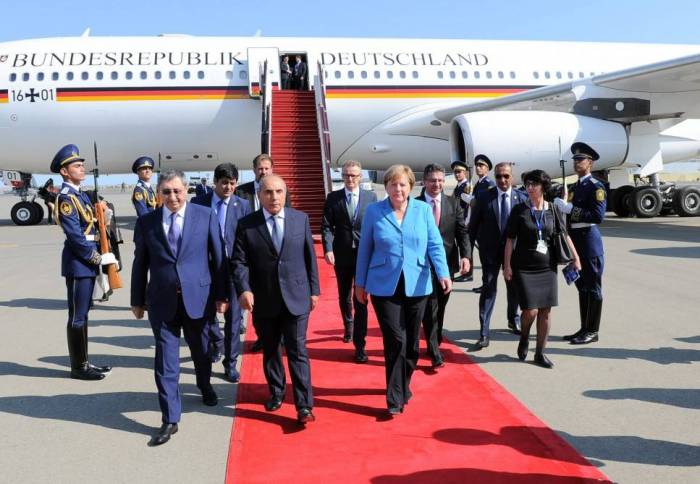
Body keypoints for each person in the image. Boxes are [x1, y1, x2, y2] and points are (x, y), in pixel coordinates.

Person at [131, 169, 229, 446]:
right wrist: (136, 300)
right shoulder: (147, 222)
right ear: (159, 194)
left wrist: (222, 296)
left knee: (201, 351)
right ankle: (170, 418)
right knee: (166, 361)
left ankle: (205, 385)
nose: (172, 197)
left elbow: (218, 258)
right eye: (166, 192)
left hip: (198, 298)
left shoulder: (204, 216)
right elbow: (141, 264)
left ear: (186, 190)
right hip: (162, 302)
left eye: (177, 191)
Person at [355, 165, 451, 416]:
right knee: (395, 339)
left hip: (418, 283)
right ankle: (394, 397)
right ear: (385, 187)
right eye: (393, 184)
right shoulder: (374, 212)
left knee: (411, 345)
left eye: (403, 184)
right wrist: (360, 283)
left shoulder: (422, 211)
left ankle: (403, 383)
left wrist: (442, 272)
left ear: (411, 187)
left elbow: (434, 244)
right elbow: (365, 248)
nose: (398, 189)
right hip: (383, 284)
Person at [232, 175, 320, 424]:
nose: (274, 197)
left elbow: (309, 257)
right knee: (270, 350)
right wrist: (243, 289)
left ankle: (304, 405)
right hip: (264, 299)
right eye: (268, 192)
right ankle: (277, 391)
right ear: (259, 195)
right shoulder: (247, 224)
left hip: (297, 296)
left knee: (297, 350)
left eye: (279, 192)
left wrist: (314, 290)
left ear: (285, 193)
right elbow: (239, 261)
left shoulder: (299, 219)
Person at [504, 170, 581, 368]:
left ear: (543, 187)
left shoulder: (553, 210)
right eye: (528, 184)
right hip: (524, 266)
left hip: (547, 267)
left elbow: (564, 235)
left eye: (534, 184)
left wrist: (576, 258)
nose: (529, 188)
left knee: (545, 311)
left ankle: (539, 353)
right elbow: (510, 239)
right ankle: (524, 337)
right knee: (530, 311)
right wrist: (507, 266)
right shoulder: (519, 210)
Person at [50, 144, 115, 380]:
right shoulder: (66, 198)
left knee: (84, 313)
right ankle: (78, 367)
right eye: (77, 165)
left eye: (81, 164)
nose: (82, 168)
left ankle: (85, 362)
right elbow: (75, 236)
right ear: (64, 172)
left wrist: (104, 217)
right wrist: (96, 257)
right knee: (77, 315)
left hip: (86, 259)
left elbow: (92, 226)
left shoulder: (80, 194)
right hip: (79, 262)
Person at [191, 163, 251, 382]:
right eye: (224, 183)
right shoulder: (198, 203)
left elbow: (247, 238)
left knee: (234, 318)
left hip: (234, 268)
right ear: (215, 182)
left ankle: (231, 363)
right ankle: (216, 341)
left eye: (232, 183)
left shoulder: (243, 205)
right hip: (206, 267)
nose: (228, 187)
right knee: (206, 314)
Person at [321, 160, 377, 362]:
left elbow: (376, 226)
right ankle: (349, 326)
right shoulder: (333, 198)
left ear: (360, 177)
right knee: (344, 295)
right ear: (342, 176)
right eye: (346, 175)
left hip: (364, 255)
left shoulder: (371, 197)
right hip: (342, 254)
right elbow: (326, 226)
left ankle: (360, 344)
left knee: (360, 298)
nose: (350, 179)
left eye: (354, 175)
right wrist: (328, 249)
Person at [417, 163, 471, 367]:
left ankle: (435, 340)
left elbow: (462, 232)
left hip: (447, 265)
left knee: (440, 307)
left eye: (440, 180)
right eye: (432, 180)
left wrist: (466, 256)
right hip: (423, 265)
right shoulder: (415, 204)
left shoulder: (453, 203)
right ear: (424, 181)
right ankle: (434, 351)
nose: (437, 184)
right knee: (430, 307)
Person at [468, 162, 527, 348]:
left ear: (512, 177)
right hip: (490, 253)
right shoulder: (484, 197)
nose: (502, 180)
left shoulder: (522, 198)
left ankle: (513, 318)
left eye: (506, 176)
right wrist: (467, 255)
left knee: (514, 288)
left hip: (515, 253)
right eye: (499, 176)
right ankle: (484, 332)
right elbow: (473, 227)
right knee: (489, 290)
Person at [554, 142, 607, 345]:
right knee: (582, 287)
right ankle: (584, 328)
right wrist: (562, 208)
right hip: (575, 241)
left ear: (590, 163)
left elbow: (598, 215)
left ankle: (593, 330)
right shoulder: (574, 187)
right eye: (575, 160)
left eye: (581, 159)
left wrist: (570, 209)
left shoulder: (596, 186)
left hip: (589, 241)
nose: (577, 163)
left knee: (593, 288)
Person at [236, 153, 290, 352]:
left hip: (275, 252)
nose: (263, 172)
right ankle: (262, 336)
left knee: (278, 296)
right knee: (256, 301)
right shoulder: (241, 192)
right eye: (260, 169)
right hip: (250, 250)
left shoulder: (282, 190)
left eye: (267, 168)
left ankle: (281, 336)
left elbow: (289, 219)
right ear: (254, 170)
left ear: (272, 169)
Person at [469, 155, 497, 293]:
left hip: (485, 227)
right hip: (478, 226)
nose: (478, 168)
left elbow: (488, 205)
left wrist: (473, 201)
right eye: (477, 166)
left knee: (487, 259)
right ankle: (485, 283)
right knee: (483, 258)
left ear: (487, 169)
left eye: (481, 166)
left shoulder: (489, 184)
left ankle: (488, 285)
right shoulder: (479, 184)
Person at [451, 161, 473, 283]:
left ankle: (468, 273)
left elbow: (469, 206)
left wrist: (467, 221)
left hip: (464, 220)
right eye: (455, 172)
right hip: (457, 220)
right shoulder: (458, 186)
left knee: (466, 246)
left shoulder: (467, 186)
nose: (457, 174)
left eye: (459, 172)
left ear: (464, 172)